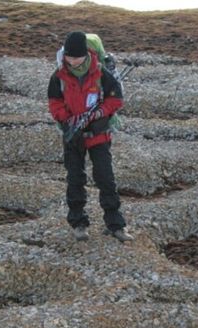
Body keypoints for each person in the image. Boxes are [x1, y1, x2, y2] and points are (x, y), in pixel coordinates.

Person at [48, 31, 133, 242]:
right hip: (72, 135)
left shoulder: (101, 73)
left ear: (86, 54)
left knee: (105, 178)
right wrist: (67, 121)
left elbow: (116, 99)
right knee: (75, 179)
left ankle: (116, 225)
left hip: (99, 135)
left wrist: (100, 114)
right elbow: (54, 103)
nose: (72, 61)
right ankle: (78, 223)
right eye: (69, 57)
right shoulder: (58, 76)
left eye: (76, 57)